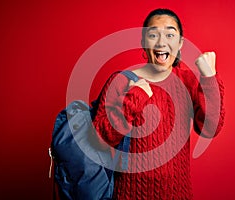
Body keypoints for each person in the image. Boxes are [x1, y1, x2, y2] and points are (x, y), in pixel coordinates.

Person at [93, 8, 225, 200]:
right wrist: (135, 96)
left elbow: (210, 128)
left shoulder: (187, 81)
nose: (162, 42)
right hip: (128, 195)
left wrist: (209, 78)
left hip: (178, 194)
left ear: (180, 43)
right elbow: (100, 138)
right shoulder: (121, 81)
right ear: (143, 42)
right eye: (153, 34)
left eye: (170, 34)